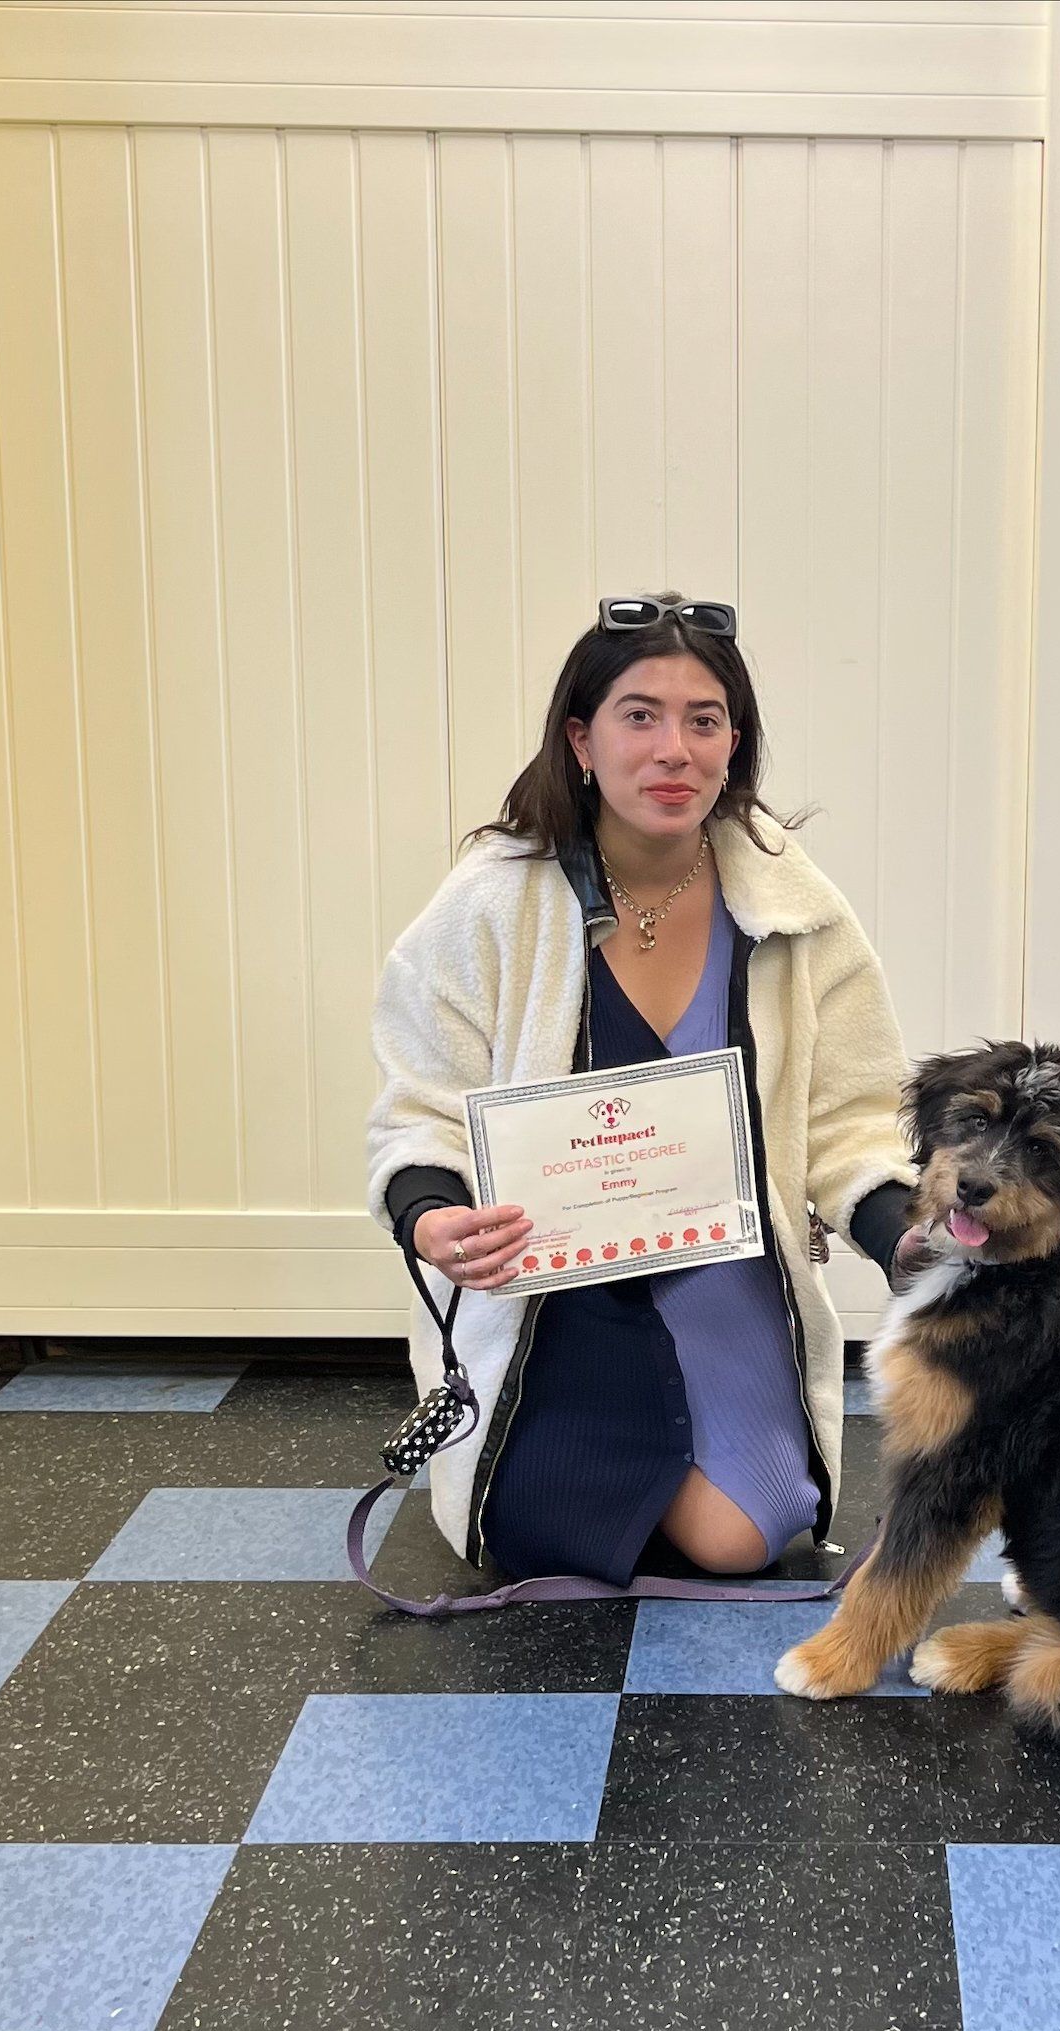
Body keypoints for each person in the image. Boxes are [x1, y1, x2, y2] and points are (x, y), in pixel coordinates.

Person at [367, 591, 926, 1582]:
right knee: (537, 1535)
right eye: (640, 716)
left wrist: (902, 1236)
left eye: (702, 720)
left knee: (738, 1542)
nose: (673, 749)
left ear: (733, 744)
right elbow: (421, 1107)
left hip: (722, 1271)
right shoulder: (491, 903)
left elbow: (851, 1116)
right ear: (581, 740)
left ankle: (678, 1443)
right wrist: (433, 1217)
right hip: (552, 1291)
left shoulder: (797, 911)